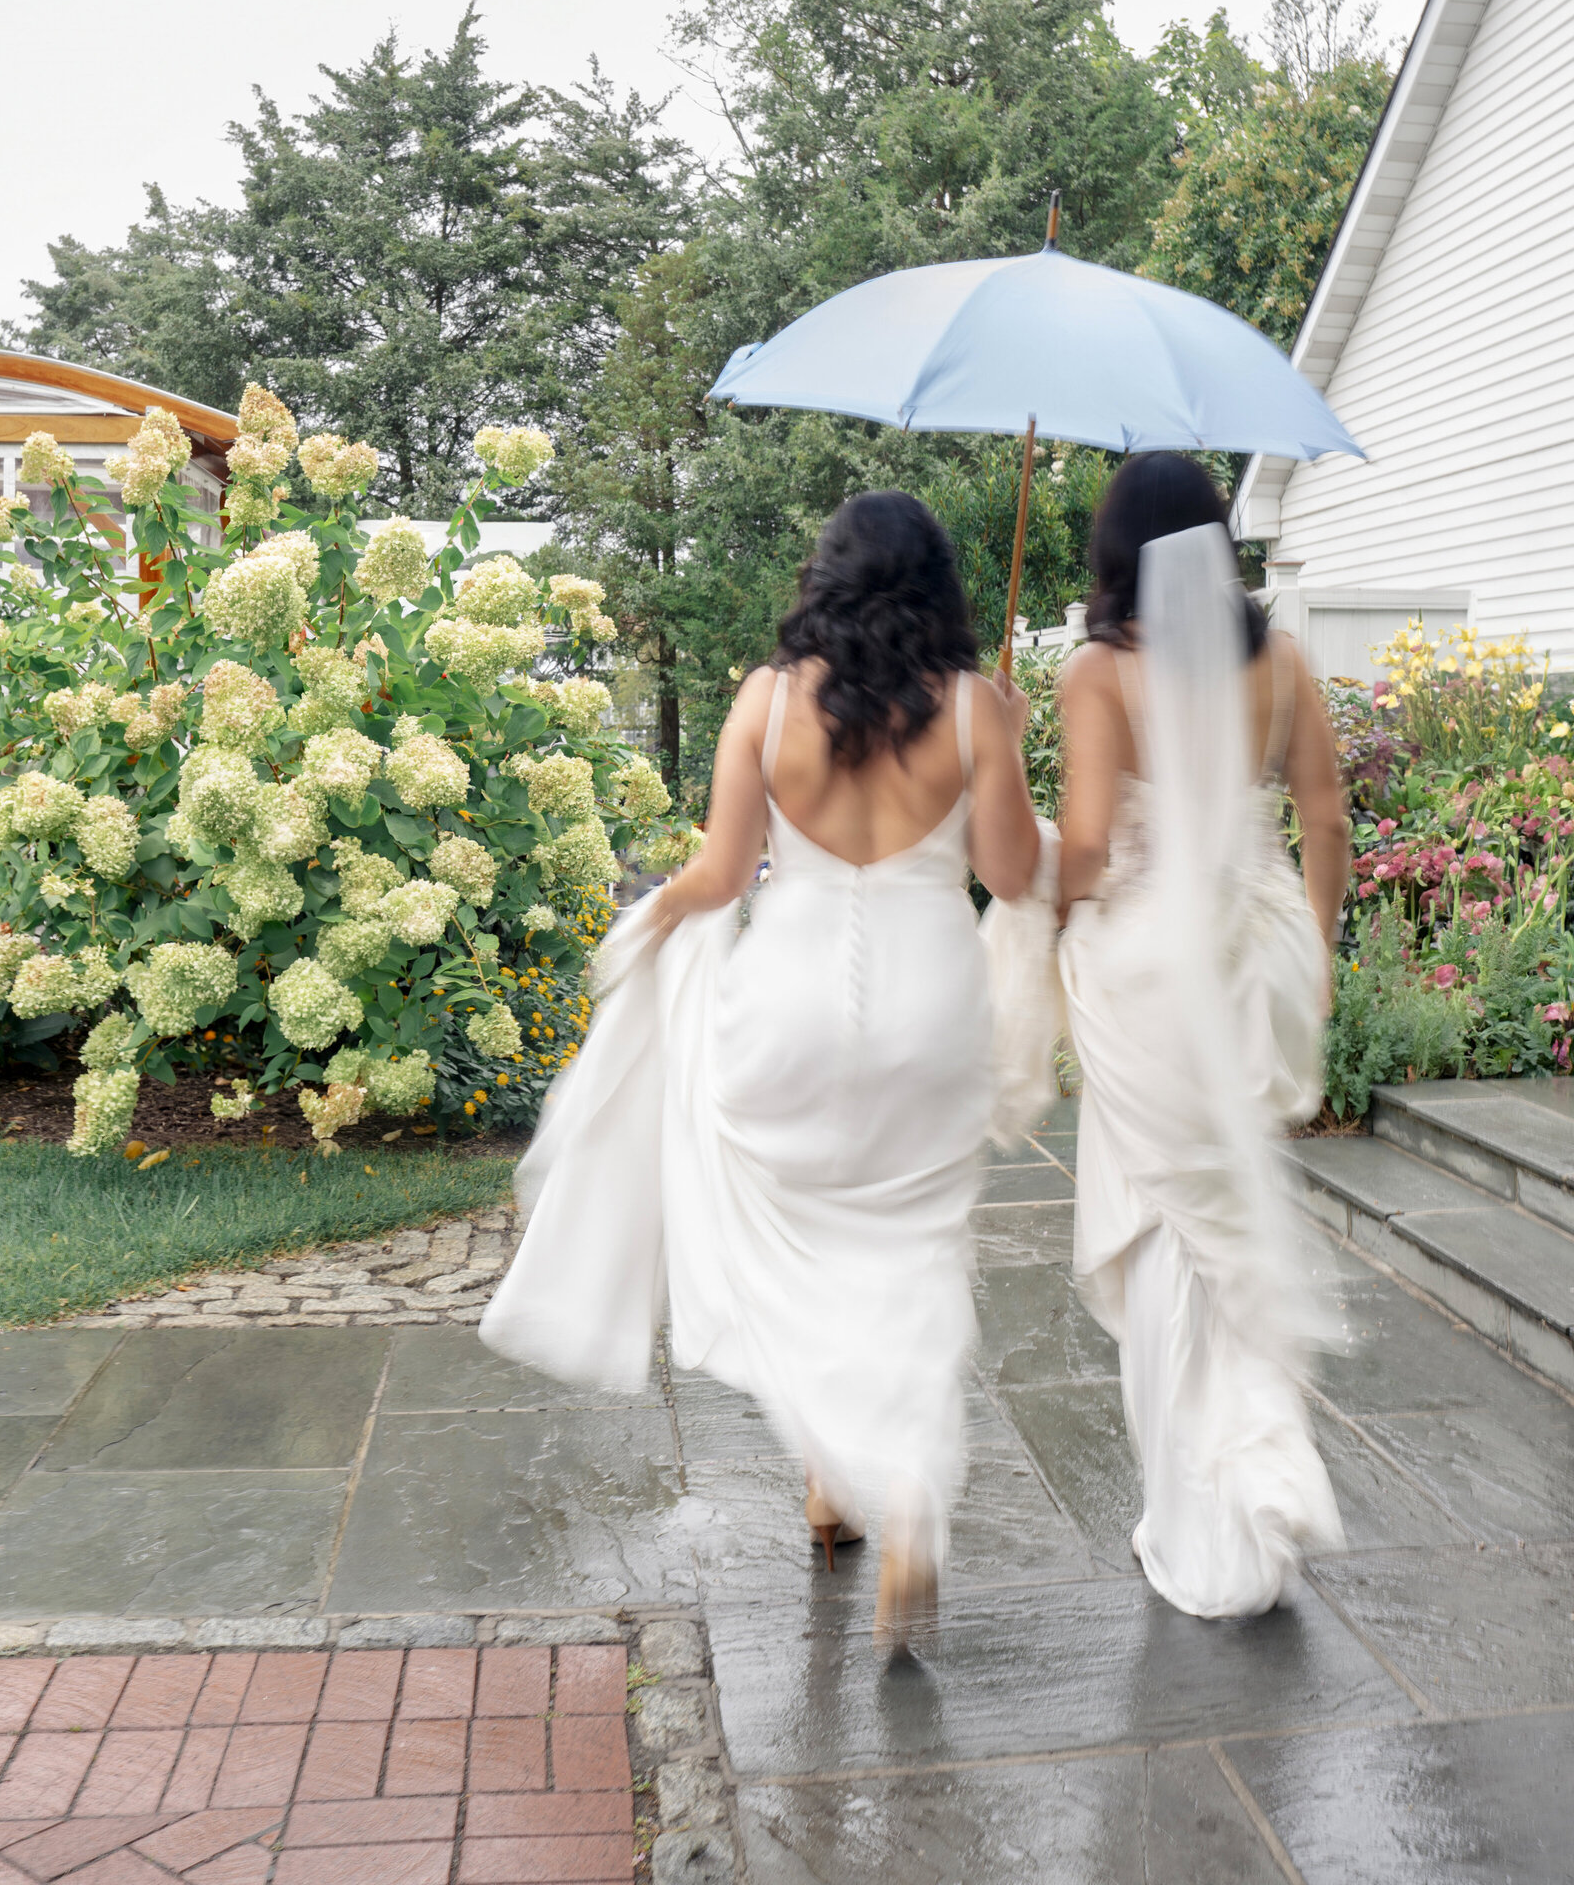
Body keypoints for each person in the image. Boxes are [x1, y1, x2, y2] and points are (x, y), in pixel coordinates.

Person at [481, 491, 1039, 1655]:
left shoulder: (766, 697)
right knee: (913, 1249)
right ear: (937, 585)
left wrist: (644, 923)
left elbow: (722, 874)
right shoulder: (976, 708)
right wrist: (1011, 743)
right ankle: (908, 1512)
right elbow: (1011, 872)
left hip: (785, 1003)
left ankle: (831, 1481)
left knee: (798, 1248)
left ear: (824, 578)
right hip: (931, 1002)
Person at [1055, 452, 1349, 1619]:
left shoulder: (1097, 672)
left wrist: (1035, 896)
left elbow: (1082, 846)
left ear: (1115, 550)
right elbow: (1322, 817)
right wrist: (1313, 956)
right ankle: (1242, 1494)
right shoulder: (1278, 659)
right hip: (1254, 960)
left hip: (1147, 972)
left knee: (1164, 1228)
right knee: (1225, 1205)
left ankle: (1204, 1527)